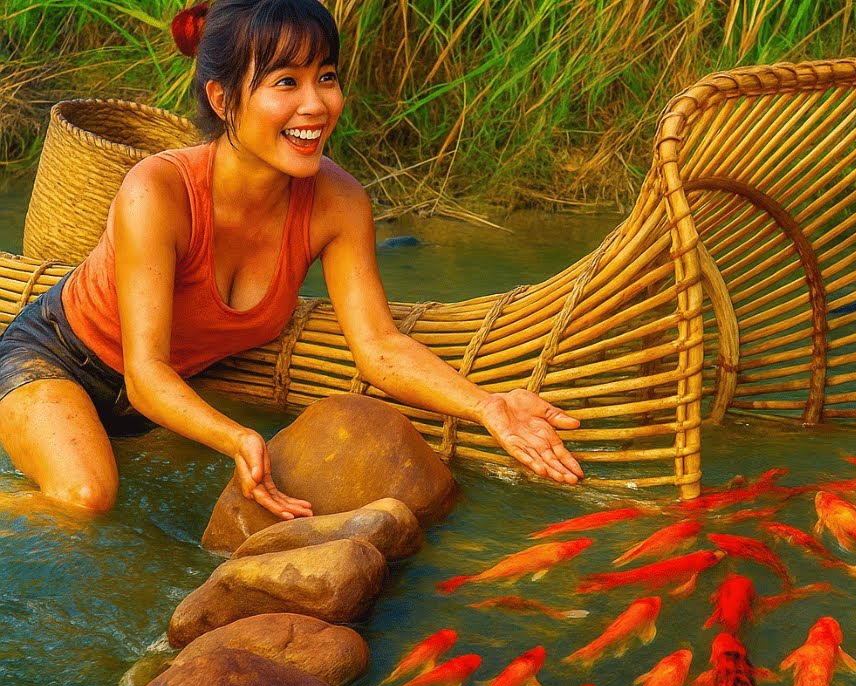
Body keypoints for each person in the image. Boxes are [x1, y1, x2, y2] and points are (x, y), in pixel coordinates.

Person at [0, 0, 583, 519]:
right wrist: (237, 438)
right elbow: (146, 371)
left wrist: (488, 407)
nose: (316, 104)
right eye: (285, 82)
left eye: (325, 77)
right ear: (223, 98)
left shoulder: (338, 201)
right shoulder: (158, 192)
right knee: (85, 500)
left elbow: (379, 348)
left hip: (161, 403)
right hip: (59, 359)